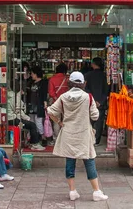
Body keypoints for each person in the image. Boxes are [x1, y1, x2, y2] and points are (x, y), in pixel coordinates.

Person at [47, 71, 108, 202]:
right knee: (89, 161)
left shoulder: (63, 97)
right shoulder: (88, 97)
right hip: (83, 134)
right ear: (83, 83)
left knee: (70, 161)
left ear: (70, 83)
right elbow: (95, 116)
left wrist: (59, 122)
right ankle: (96, 192)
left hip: (68, 133)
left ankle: (72, 191)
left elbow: (51, 111)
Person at [7, 83, 44, 150]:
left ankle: (32, 142)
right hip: (13, 119)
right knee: (32, 125)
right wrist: (27, 118)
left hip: (10, 118)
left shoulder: (10, 96)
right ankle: (34, 143)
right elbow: (19, 111)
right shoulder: (15, 97)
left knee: (29, 124)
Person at [85, 57, 110, 146]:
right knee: (99, 122)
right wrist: (100, 101)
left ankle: (89, 139)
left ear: (94, 64)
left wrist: (92, 100)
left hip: (89, 102)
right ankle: (96, 140)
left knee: (89, 121)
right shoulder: (105, 76)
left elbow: (86, 89)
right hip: (101, 103)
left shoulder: (87, 75)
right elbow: (106, 90)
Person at [26, 66, 49, 144]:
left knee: (38, 121)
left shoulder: (43, 83)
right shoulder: (30, 82)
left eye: (32, 73)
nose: (31, 75)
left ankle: (43, 137)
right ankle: (34, 137)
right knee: (31, 121)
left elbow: (44, 94)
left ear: (36, 74)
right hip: (31, 104)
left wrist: (45, 103)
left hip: (39, 105)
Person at [48, 63, 70, 143]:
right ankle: (66, 138)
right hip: (67, 103)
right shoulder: (67, 79)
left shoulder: (52, 79)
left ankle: (57, 139)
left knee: (56, 121)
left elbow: (51, 92)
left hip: (56, 103)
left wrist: (56, 98)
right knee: (67, 121)